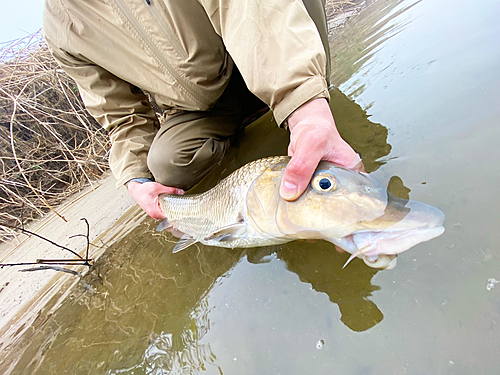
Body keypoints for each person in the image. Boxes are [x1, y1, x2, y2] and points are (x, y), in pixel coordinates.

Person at [43, 0, 361, 219]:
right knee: (165, 165)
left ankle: (304, 103)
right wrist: (135, 179)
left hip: (262, 43)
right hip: (203, 107)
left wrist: (305, 108)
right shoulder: (61, 28)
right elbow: (121, 115)